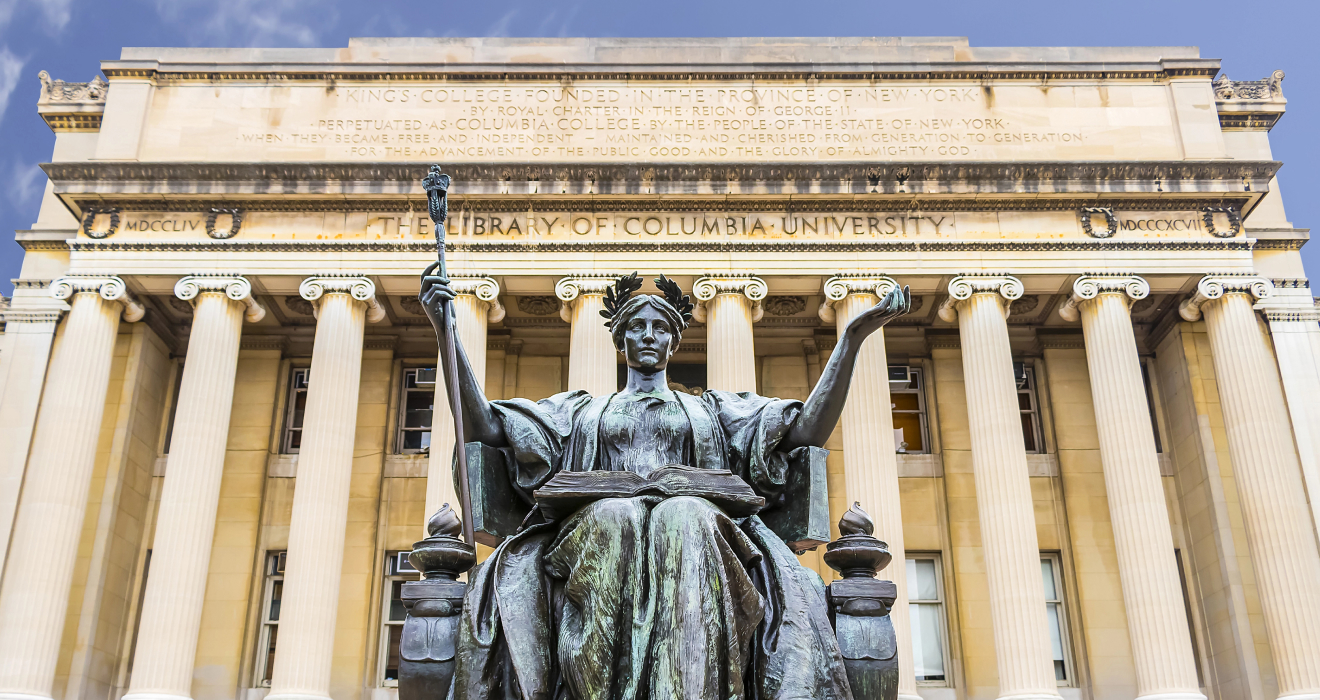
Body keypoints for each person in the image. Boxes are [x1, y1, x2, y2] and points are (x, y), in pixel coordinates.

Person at [420, 271, 910, 700]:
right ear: (620, 340)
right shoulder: (580, 411)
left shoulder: (713, 410)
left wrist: (851, 340)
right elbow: (484, 427)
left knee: (685, 516)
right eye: (637, 327)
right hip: (597, 528)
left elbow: (805, 431)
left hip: (700, 528)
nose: (649, 336)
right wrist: (447, 334)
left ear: (675, 343)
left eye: (660, 328)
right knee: (617, 516)